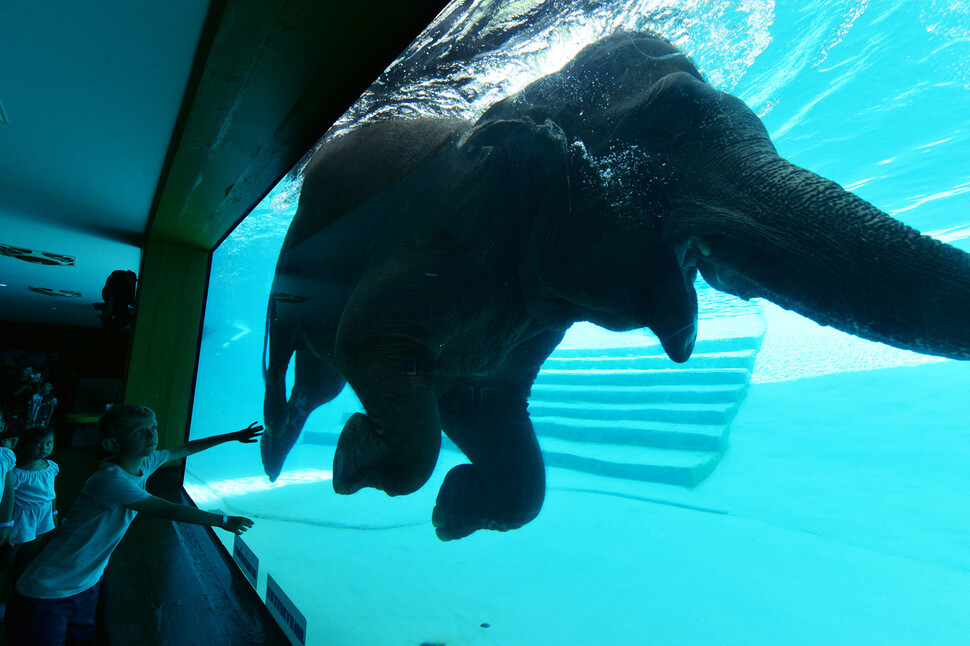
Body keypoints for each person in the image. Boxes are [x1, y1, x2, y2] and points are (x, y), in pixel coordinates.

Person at [4, 404, 262, 645]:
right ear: (112, 443)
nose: (152, 435)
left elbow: (184, 448)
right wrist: (223, 520)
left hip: (86, 583)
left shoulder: (144, 463)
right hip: (47, 591)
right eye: (140, 431)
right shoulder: (110, 481)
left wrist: (232, 436)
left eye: (154, 427)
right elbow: (167, 508)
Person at [7, 426, 59, 592]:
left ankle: (19, 584)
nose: (44, 448)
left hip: (43, 514)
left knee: (31, 550)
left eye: (48, 443)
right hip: (21, 517)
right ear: (23, 446)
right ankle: (4, 586)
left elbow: (51, 493)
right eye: (38, 444)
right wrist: (6, 524)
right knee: (10, 553)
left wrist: (53, 512)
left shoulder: (51, 467)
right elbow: (8, 499)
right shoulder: (16, 473)